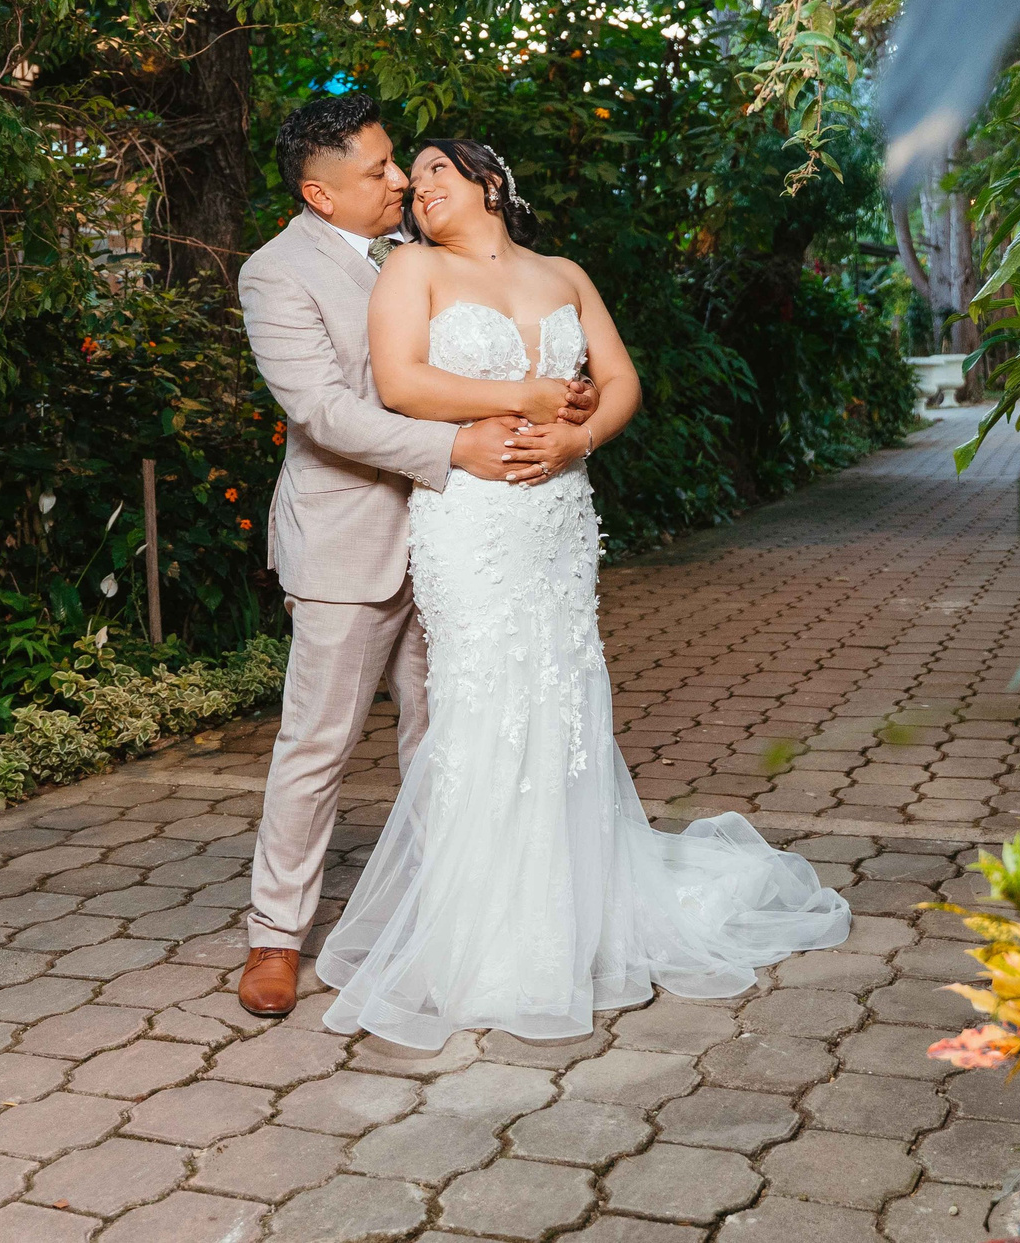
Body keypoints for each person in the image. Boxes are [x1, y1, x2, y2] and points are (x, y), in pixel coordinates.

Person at [314, 136, 849, 1048]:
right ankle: (485, 939)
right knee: (485, 700)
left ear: (490, 180)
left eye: (438, 169)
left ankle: (578, 914)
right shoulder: (411, 271)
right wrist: (528, 394)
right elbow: (401, 385)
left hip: (560, 514)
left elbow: (622, 378)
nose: (420, 187)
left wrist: (578, 438)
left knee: (564, 693)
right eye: (415, 177)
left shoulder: (564, 273)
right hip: (473, 516)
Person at [233, 95, 597, 1018]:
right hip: (349, 537)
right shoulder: (275, 274)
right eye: (378, 171)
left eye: (398, 161)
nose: (400, 180)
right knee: (318, 742)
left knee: (450, 735)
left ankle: (452, 914)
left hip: (463, 540)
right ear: (319, 194)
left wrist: (564, 404)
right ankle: (275, 935)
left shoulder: (424, 250)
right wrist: (453, 447)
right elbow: (323, 411)